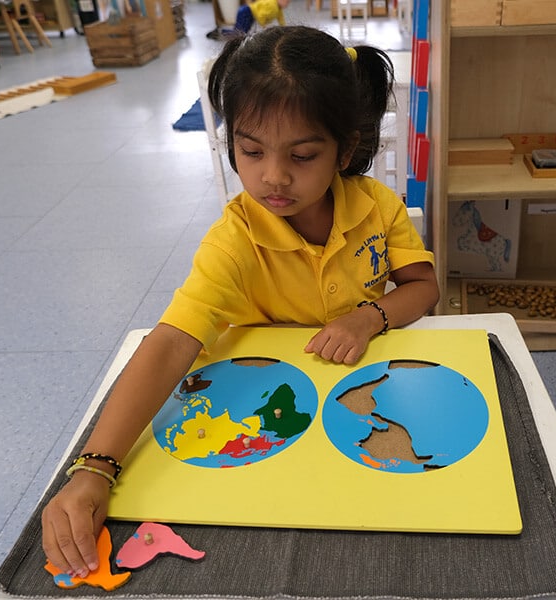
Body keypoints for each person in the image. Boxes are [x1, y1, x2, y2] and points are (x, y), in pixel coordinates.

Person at [41, 25, 439, 578]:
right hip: (268, 406)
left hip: (358, 396)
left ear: (345, 149)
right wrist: (95, 467)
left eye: (302, 155)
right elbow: (175, 339)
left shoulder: (377, 205)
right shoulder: (234, 240)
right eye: (250, 151)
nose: (272, 176)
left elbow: (422, 287)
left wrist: (368, 316)